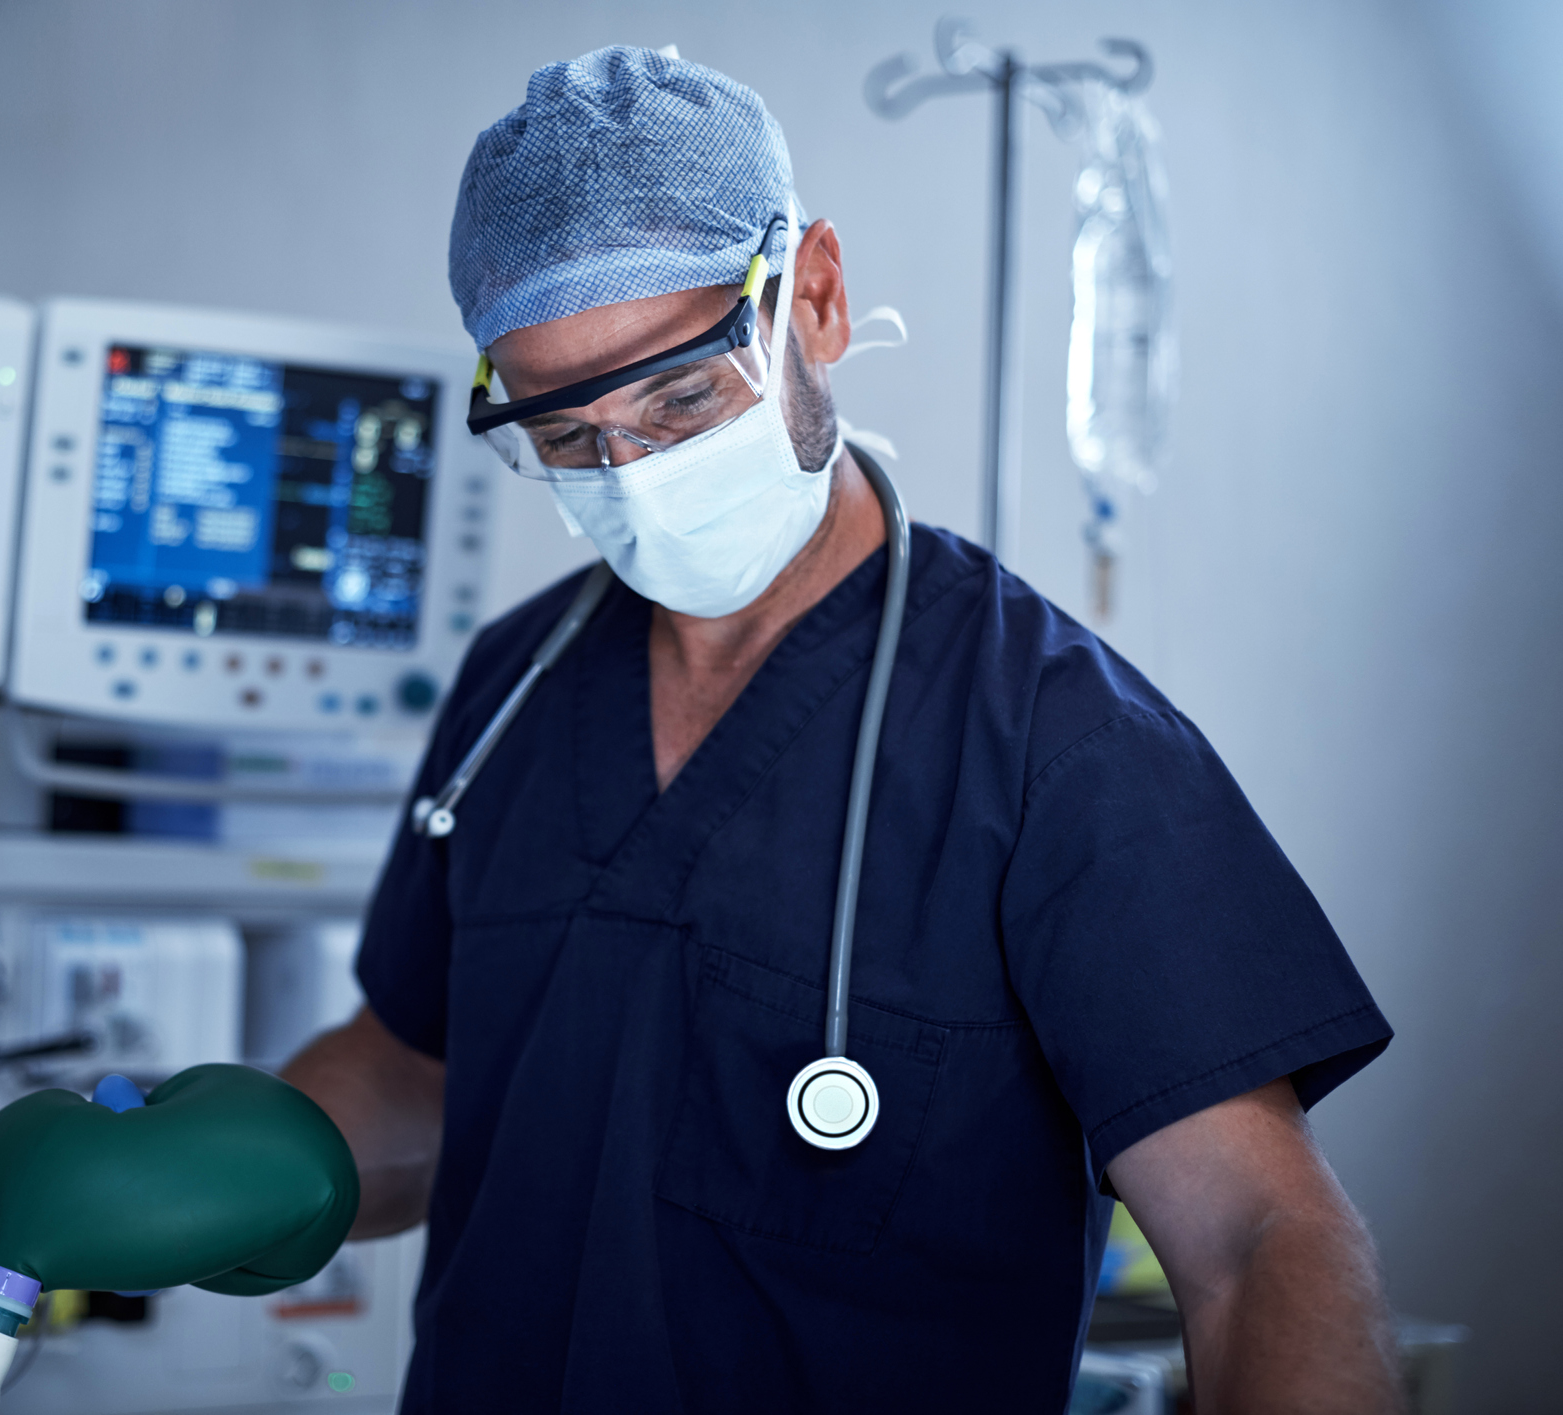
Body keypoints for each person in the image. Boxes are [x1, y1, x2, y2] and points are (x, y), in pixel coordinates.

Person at [285, 46, 1399, 1413]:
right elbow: (430, 1077)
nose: (632, 478)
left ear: (811, 296)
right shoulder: (516, 687)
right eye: (567, 437)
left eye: (681, 397)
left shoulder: (1052, 740)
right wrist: (239, 1161)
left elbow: (1254, 1244)